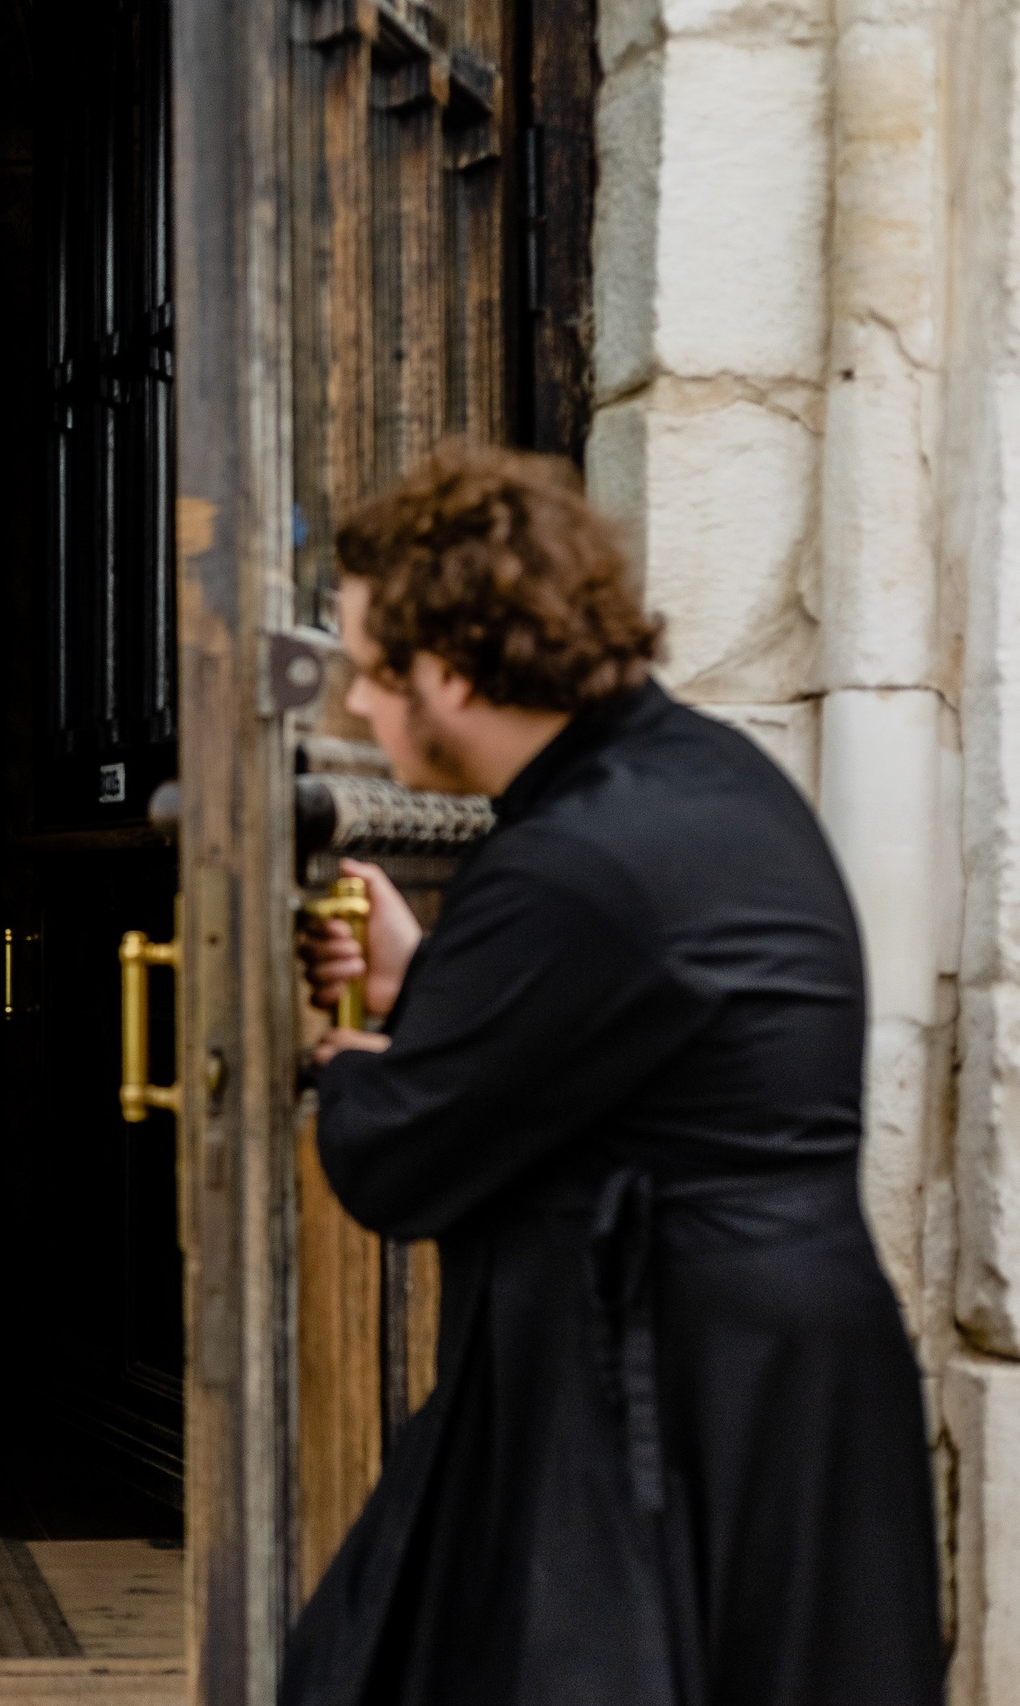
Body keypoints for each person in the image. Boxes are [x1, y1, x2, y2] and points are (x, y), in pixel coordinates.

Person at [286, 443, 941, 1706]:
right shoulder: (699, 771)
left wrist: (350, 1062)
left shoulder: (572, 861)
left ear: (451, 668)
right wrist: (430, 989)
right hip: (769, 1361)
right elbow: (605, 1043)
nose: (356, 706)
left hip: (677, 1381)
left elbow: (400, 1160)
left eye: (371, 671)